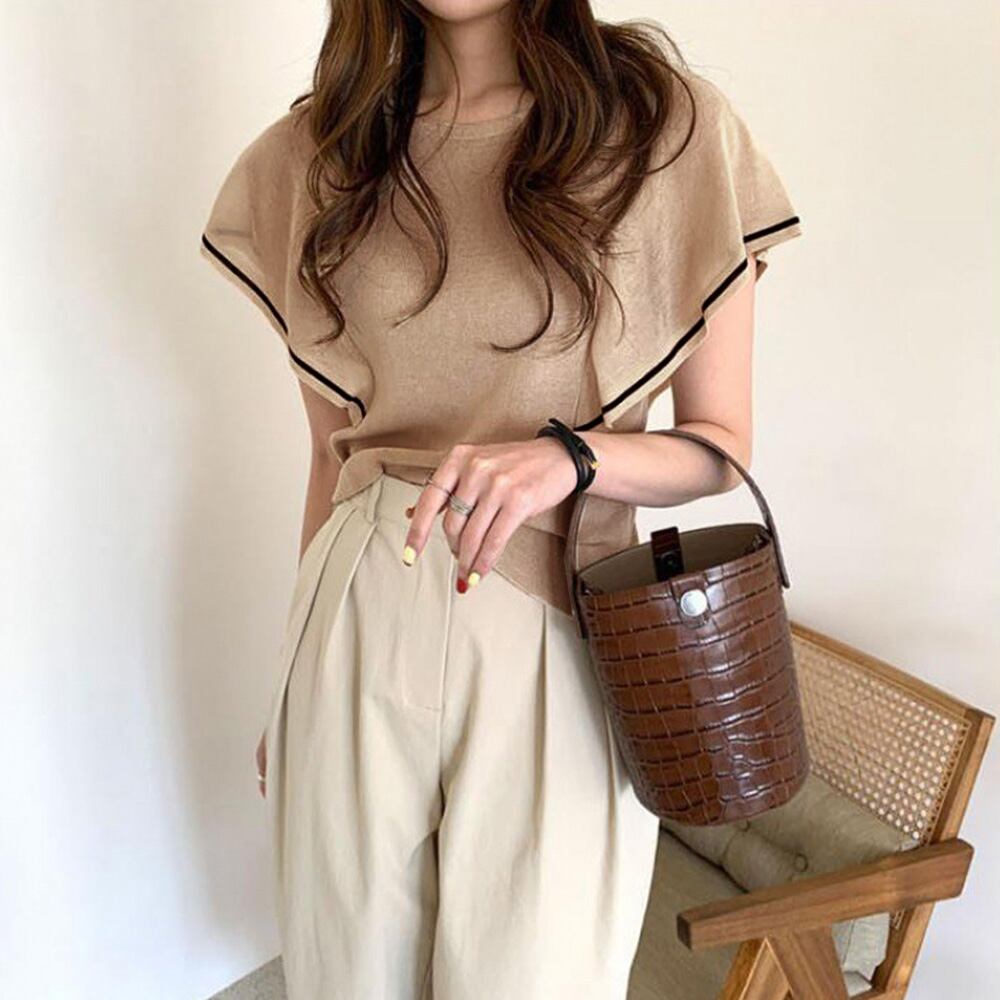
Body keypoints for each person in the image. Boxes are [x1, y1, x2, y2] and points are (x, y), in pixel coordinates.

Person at [198, 2, 803, 997]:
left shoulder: (661, 126)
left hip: (555, 618)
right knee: (345, 973)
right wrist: (292, 676)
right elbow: (329, 455)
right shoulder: (324, 153)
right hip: (359, 609)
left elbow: (718, 447)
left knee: (537, 971)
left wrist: (570, 458)